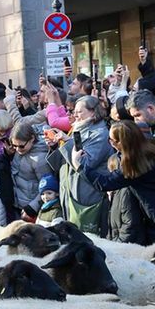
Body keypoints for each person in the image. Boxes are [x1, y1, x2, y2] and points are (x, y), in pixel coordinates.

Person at [87, 121, 155, 249]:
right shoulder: (151, 149)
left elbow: (105, 183)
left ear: (120, 143)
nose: (110, 142)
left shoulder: (135, 163)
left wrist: (80, 166)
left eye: (112, 140)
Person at [50, 95, 111, 233]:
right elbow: (63, 161)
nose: (75, 115)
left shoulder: (100, 134)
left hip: (86, 195)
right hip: (70, 191)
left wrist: (66, 142)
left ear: (93, 112)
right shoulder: (78, 128)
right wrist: (54, 146)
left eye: (79, 111)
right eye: (74, 111)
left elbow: (85, 163)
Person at [8, 122, 52, 220]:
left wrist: (33, 207)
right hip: (19, 204)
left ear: (32, 139)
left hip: (31, 209)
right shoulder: (20, 151)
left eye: (21, 146)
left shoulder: (40, 160)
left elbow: (47, 187)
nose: (17, 149)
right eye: (14, 145)